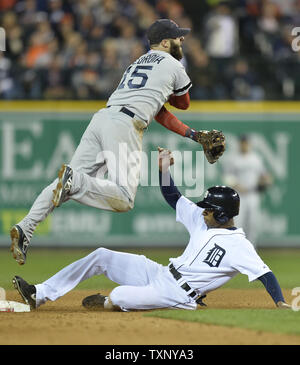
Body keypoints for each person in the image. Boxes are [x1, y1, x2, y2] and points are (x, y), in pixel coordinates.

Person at [10, 19, 224, 265]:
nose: (182, 40)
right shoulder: (174, 65)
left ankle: (26, 226)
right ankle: (76, 180)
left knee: (63, 184)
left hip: (103, 118)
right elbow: (183, 103)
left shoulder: (137, 63)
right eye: (177, 37)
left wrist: (194, 135)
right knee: (123, 198)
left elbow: (158, 110)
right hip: (125, 126)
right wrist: (175, 96)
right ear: (165, 42)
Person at [12, 147, 290, 311]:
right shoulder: (201, 220)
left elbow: (266, 274)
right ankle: (40, 293)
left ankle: (110, 303)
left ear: (220, 214)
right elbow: (173, 197)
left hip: (179, 294)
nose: (201, 210)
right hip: (161, 272)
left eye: (207, 208)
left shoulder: (239, 245)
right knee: (101, 256)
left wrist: (280, 303)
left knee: (119, 295)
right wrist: (164, 170)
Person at [222, 134, 273, 246]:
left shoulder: (256, 158)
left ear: (249, 144)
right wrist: (237, 186)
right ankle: (236, 249)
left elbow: (264, 175)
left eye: (246, 143)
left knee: (253, 224)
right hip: (239, 195)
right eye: (242, 143)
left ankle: (251, 251)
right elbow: (227, 177)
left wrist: (266, 181)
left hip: (253, 195)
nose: (244, 145)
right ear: (240, 144)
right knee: (238, 223)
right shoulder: (233, 158)